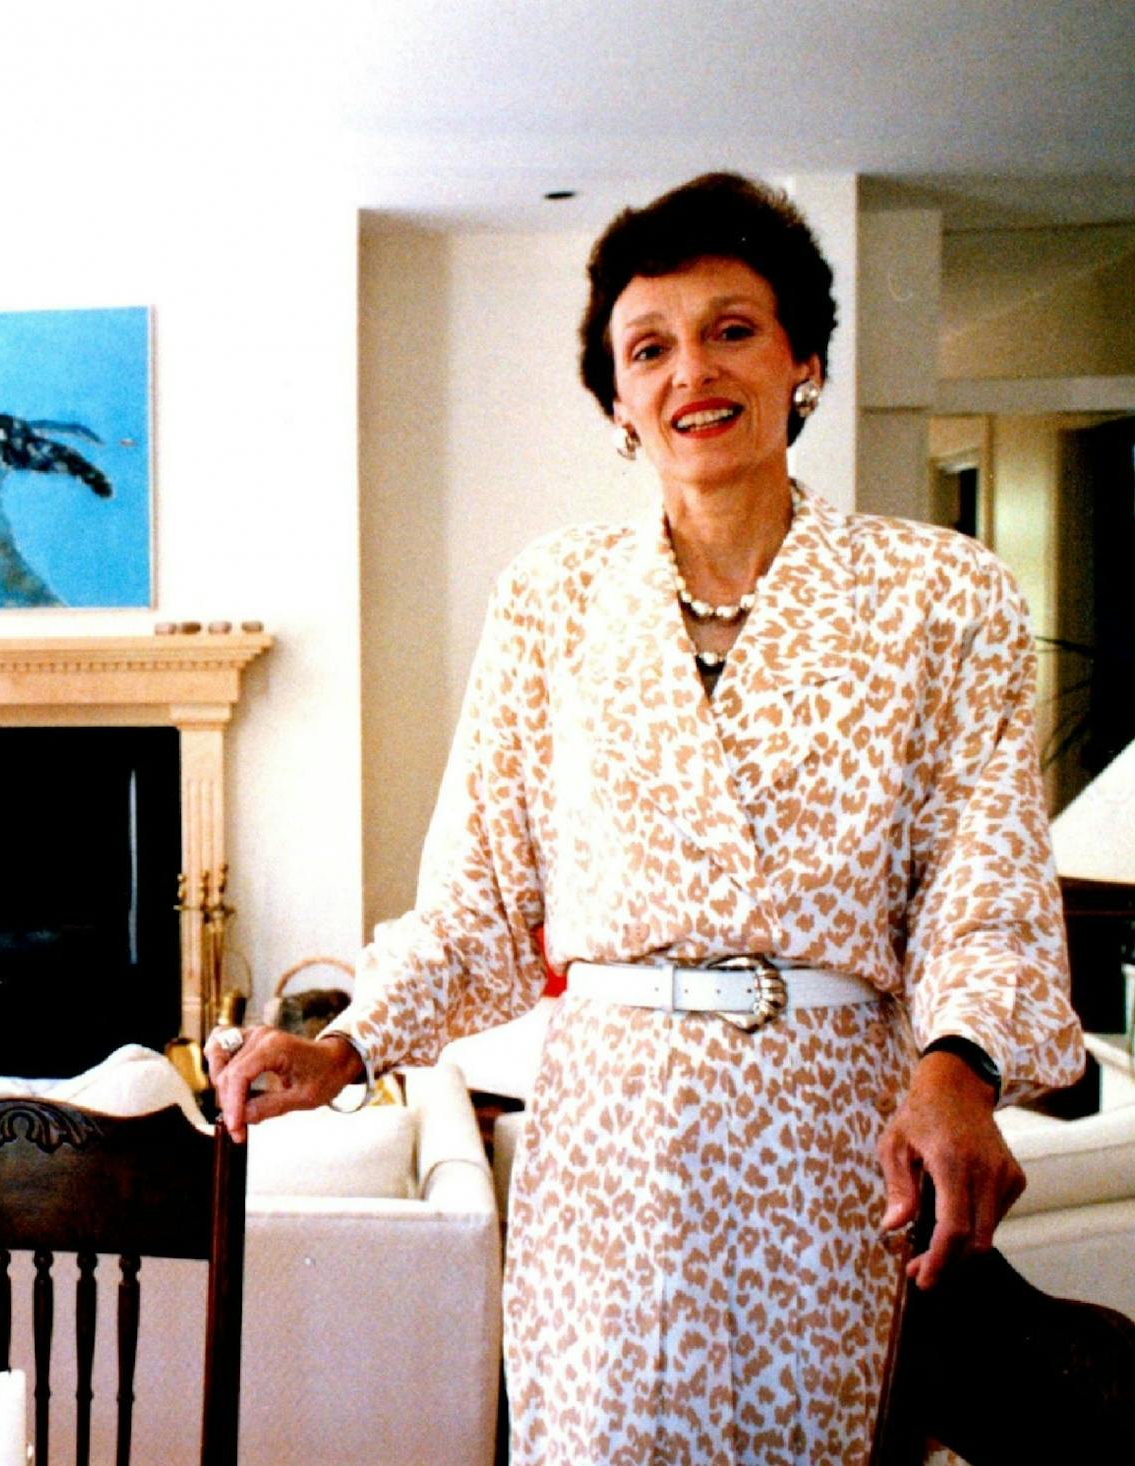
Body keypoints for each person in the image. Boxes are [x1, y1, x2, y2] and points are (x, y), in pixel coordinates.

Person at [209, 172, 1086, 1464]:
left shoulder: (946, 599)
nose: (695, 372)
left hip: (833, 1154)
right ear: (617, 402)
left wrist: (959, 1067)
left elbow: (985, 883)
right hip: (607, 1172)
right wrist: (346, 1045)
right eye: (649, 348)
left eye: (733, 329)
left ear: (806, 357)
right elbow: (482, 903)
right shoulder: (551, 601)